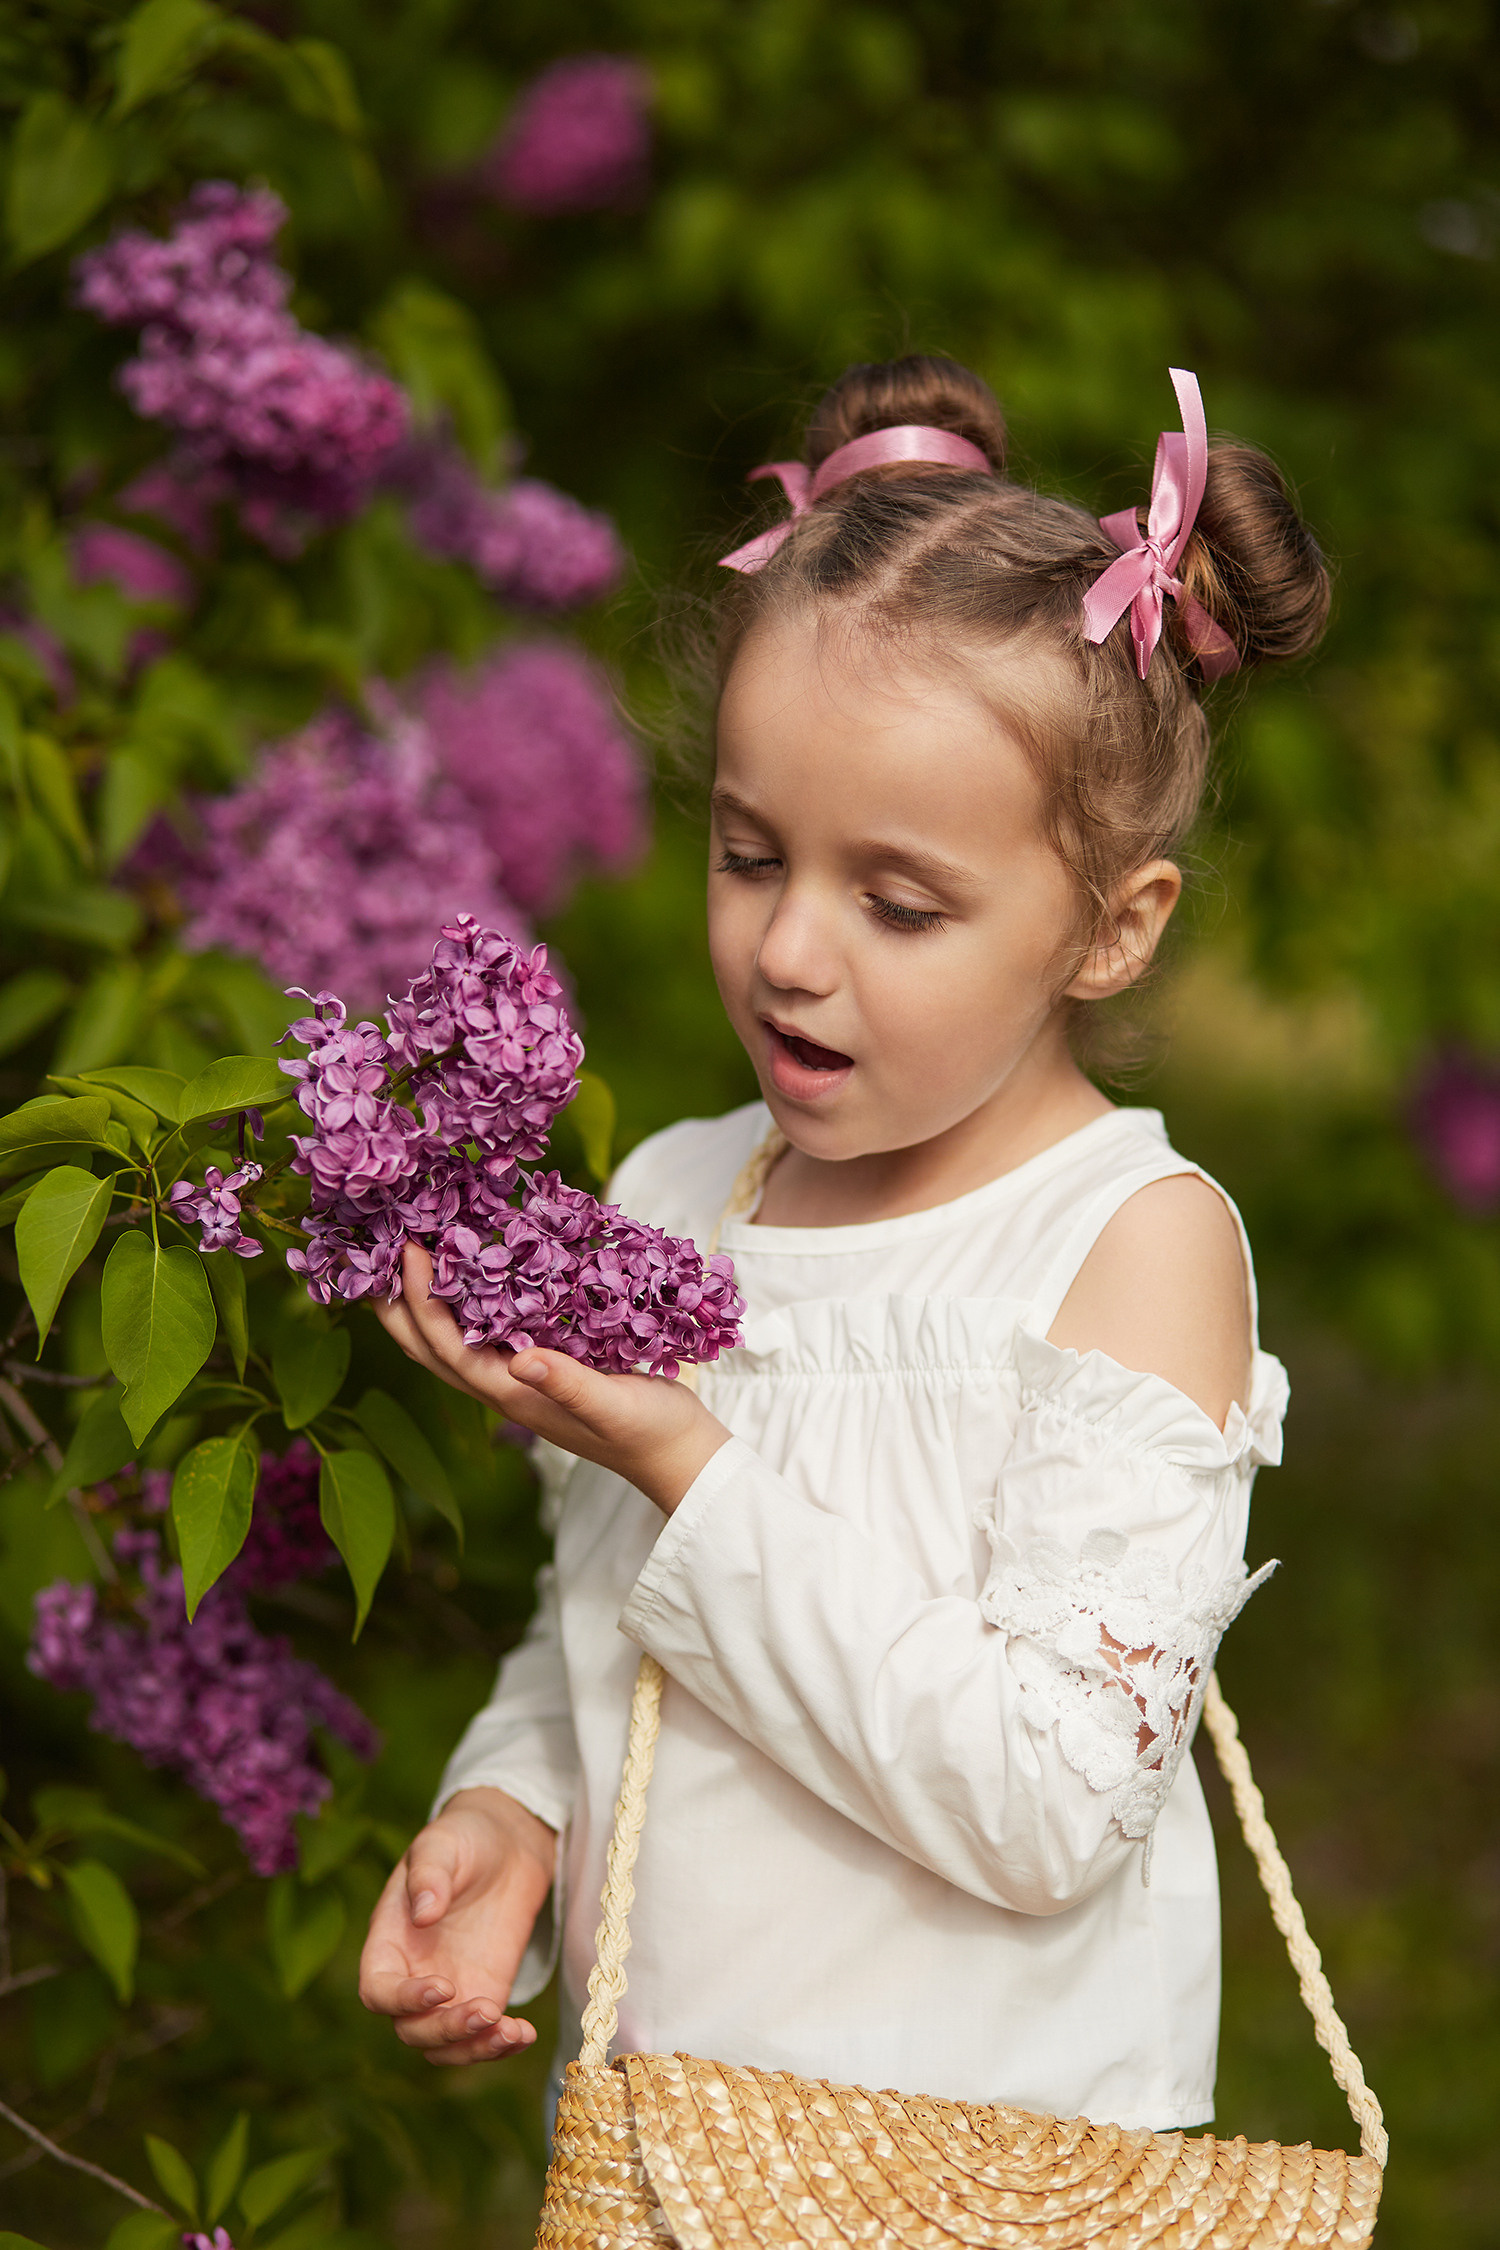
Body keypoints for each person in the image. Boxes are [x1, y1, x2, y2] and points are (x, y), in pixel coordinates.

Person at [356, 354, 1329, 2132]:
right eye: (746, 856)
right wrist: (515, 1811)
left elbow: (1049, 1803)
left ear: (1112, 927)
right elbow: (598, 1633)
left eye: (896, 901)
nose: (793, 950)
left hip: (995, 2177)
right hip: (672, 2162)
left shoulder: (1127, 1244)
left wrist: (686, 1461)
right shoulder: (675, 1192)